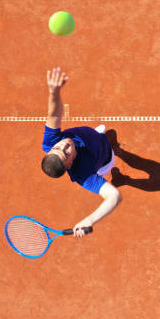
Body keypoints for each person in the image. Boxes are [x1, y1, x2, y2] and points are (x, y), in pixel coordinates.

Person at [41, 67, 122, 237]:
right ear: (69, 164)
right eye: (66, 152)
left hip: (93, 136)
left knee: (98, 133)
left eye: (58, 148)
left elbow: (54, 113)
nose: (64, 144)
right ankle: (121, 174)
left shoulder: (50, 143)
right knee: (112, 163)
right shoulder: (83, 175)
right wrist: (89, 220)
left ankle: (99, 135)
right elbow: (114, 196)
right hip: (105, 157)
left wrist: (54, 92)